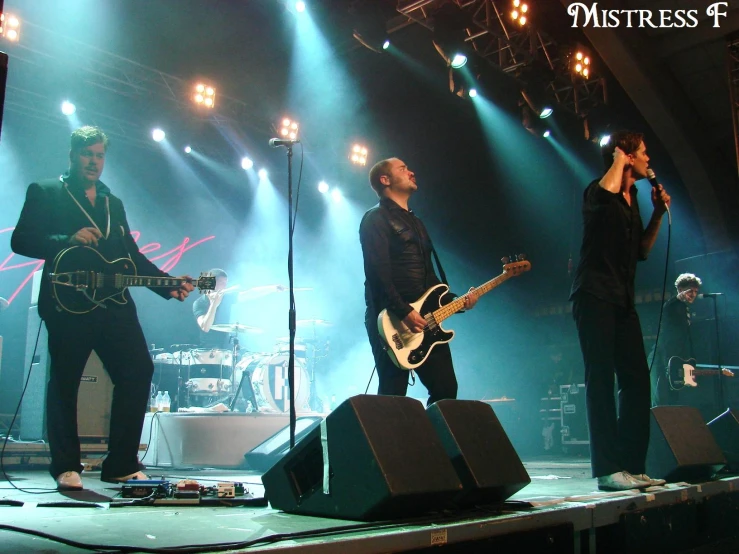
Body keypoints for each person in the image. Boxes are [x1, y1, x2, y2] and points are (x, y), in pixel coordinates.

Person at [11, 126, 194, 490]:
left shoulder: (113, 203)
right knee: (65, 381)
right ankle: (66, 466)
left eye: (99, 155)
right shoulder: (46, 191)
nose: (94, 161)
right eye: (87, 154)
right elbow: (21, 240)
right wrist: (66, 239)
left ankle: (122, 463)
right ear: (72, 155)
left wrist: (167, 284)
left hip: (114, 302)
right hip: (68, 302)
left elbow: (131, 257)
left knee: (138, 369)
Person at [570, 131, 671, 491]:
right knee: (600, 379)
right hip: (594, 294)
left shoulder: (633, 200)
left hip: (622, 300)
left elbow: (641, 251)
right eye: (643, 153)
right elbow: (603, 194)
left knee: (636, 379)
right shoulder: (598, 191)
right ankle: (608, 471)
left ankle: (632, 465)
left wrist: (658, 214)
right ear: (626, 157)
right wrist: (618, 159)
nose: (649, 160)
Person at [359, 157, 477, 405]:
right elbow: (376, 273)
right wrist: (403, 311)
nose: (411, 172)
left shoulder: (417, 222)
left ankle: (429, 443)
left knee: (446, 391)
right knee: (394, 396)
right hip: (390, 320)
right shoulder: (375, 219)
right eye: (403, 168)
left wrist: (457, 301)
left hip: (425, 320)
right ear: (385, 179)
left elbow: (430, 278)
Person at [649, 273, 702, 407]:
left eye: (696, 291)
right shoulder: (672, 305)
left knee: (674, 400)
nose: (693, 294)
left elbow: (684, 339)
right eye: (690, 290)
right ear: (680, 289)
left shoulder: (685, 309)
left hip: (675, 359)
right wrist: (679, 297)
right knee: (660, 401)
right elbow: (668, 340)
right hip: (661, 358)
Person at [193, 268, 232, 349]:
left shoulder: (227, 298)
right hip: (208, 349)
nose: (225, 286)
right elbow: (205, 327)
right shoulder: (199, 303)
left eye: (226, 283)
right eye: (222, 282)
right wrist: (213, 304)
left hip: (226, 348)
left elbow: (250, 293)